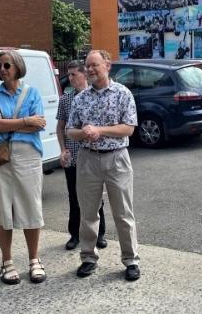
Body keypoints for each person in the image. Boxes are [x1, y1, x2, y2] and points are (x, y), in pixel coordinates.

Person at [66, 50, 141, 281]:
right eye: (87, 66)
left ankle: (131, 260)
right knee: (88, 212)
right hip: (88, 158)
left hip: (116, 157)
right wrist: (83, 133)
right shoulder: (80, 98)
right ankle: (88, 257)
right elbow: (70, 130)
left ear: (107, 66)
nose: (89, 69)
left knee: (123, 213)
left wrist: (99, 130)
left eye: (94, 65)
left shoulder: (122, 93)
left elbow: (129, 128)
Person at [0, 50, 48, 285]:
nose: (2, 69)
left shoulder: (32, 93)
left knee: (31, 207)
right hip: (0, 157)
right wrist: (25, 121)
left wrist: (6, 122)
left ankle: (34, 260)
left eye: (7, 65)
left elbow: (39, 124)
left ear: (18, 66)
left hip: (28, 156)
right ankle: (7, 262)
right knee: (2, 209)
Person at [56, 60, 108, 251]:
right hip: (73, 156)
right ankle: (75, 234)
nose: (70, 78)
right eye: (68, 75)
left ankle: (99, 234)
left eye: (73, 74)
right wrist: (63, 149)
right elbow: (60, 127)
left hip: (93, 155)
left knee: (95, 197)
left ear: (84, 74)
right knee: (74, 196)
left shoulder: (95, 96)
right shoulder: (66, 99)